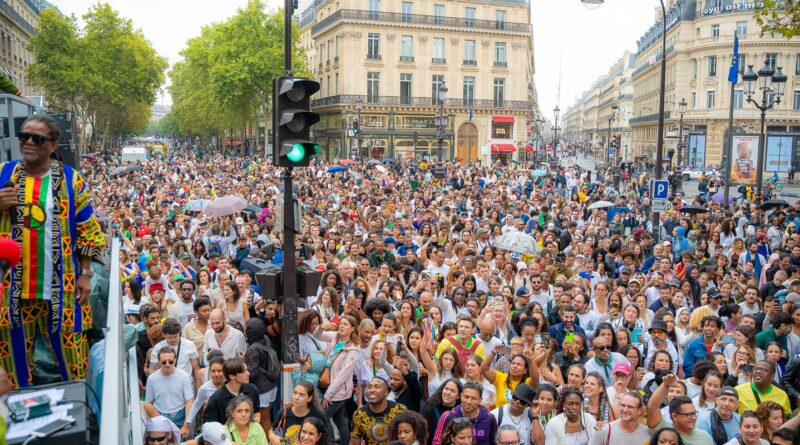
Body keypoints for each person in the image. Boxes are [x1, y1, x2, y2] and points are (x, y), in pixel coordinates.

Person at [0, 115, 107, 388]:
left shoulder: (71, 180)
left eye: (37, 138)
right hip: (11, 292)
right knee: (13, 370)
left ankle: (81, 409)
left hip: (63, 290)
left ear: (53, 144)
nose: (28, 142)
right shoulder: (2, 174)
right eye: (24, 136)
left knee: (74, 366)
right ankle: (15, 414)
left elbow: (87, 229)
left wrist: (86, 273)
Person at [646, 373, 713, 445]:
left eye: (694, 413)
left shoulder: (704, 438)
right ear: (674, 416)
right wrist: (665, 386)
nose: (693, 418)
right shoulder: (664, 430)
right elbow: (652, 408)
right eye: (688, 414)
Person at [145, 346, 194, 437]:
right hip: (159, 415)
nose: (167, 364)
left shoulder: (184, 376)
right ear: (159, 361)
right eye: (164, 362)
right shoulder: (152, 379)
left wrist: (186, 425)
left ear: (175, 360)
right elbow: (149, 403)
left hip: (180, 415)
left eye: (171, 362)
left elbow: (189, 402)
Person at [432, 382, 497, 445]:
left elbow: (495, 442)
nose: (469, 401)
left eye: (473, 398)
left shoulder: (489, 418)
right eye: (466, 397)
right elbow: (437, 442)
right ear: (460, 396)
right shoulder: (448, 416)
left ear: (480, 400)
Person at [203, 357, 261, 425]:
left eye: (247, 370)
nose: (248, 373)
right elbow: (208, 424)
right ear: (232, 376)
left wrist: (256, 419)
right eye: (243, 371)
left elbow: (256, 412)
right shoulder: (216, 399)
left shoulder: (252, 390)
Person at [351, 377, 407, 445]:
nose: (371, 390)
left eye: (377, 387)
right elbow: (354, 442)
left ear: (386, 392)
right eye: (369, 387)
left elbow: (408, 437)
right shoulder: (359, 414)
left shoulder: (400, 410)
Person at [420, 379, 462, 445]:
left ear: (458, 396)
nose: (448, 393)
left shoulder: (460, 411)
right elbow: (421, 431)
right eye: (446, 389)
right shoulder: (430, 408)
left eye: (452, 391)